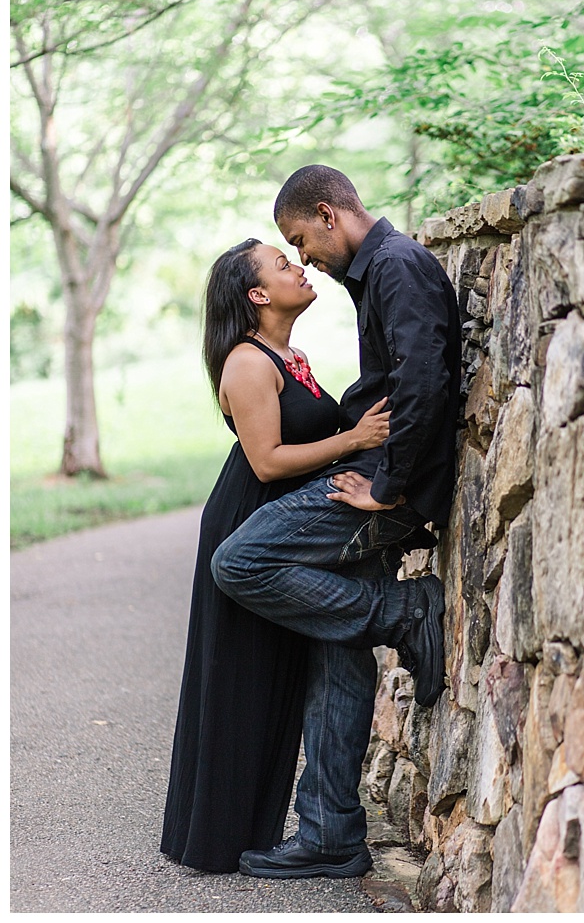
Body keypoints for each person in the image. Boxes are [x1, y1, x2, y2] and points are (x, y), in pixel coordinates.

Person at [209, 165, 462, 879]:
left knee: (238, 563)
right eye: (287, 251)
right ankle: (329, 832)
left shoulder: (398, 266)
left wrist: (388, 487)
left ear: (327, 214)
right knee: (335, 657)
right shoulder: (377, 272)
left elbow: (422, 382)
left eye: (300, 240)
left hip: (385, 489)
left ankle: (402, 610)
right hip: (372, 479)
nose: (306, 257)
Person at [161, 238, 390, 872]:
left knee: (287, 676)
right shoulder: (248, 361)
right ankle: (218, 837)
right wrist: (355, 439)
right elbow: (266, 460)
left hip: (287, 526)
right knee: (241, 678)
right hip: (249, 523)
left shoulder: (294, 355)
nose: (301, 266)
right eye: (283, 264)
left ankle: (297, 832)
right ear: (258, 295)